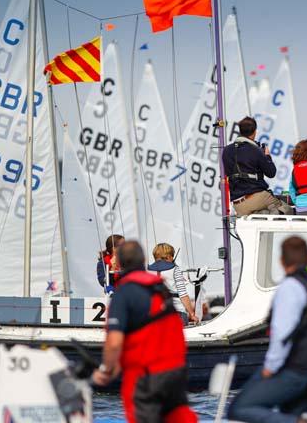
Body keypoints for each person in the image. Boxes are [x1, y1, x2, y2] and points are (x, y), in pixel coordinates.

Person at [228, 236, 307, 423]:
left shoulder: (291, 287)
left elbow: (282, 334)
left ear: (282, 261)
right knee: (293, 413)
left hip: (293, 369)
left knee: (240, 408)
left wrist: (270, 368)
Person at [92, 241, 197, 423]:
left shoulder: (124, 294)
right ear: (144, 261)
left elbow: (115, 342)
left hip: (145, 379)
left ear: (121, 264)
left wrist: (106, 369)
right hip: (174, 374)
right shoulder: (160, 288)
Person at [222, 117, 292, 216]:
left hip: (238, 205)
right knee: (287, 210)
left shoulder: (226, 151)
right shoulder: (256, 150)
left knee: (262, 214)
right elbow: (271, 173)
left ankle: (263, 213)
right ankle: (268, 213)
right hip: (257, 198)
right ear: (254, 132)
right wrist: (267, 156)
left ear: (240, 131)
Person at [148, 243, 198, 324]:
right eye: (172, 256)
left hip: (155, 315)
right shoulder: (175, 269)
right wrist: (192, 314)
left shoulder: (148, 270)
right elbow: (183, 295)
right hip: (176, 312)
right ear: (168, 257)